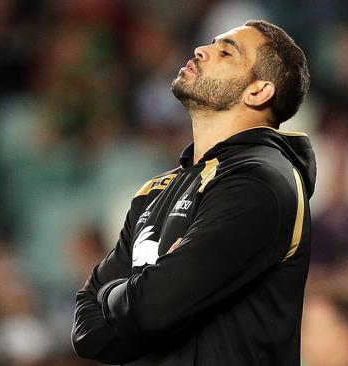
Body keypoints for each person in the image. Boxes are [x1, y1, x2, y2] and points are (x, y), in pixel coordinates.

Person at [71, 19, 315, 365]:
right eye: (210, 44)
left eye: (226, 52)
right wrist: (145, 291)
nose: (201, 50)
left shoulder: (262, 183)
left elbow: (152, 307)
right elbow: (86, 332)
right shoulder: (156, 191)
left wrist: (115, 292)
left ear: (259, 91)